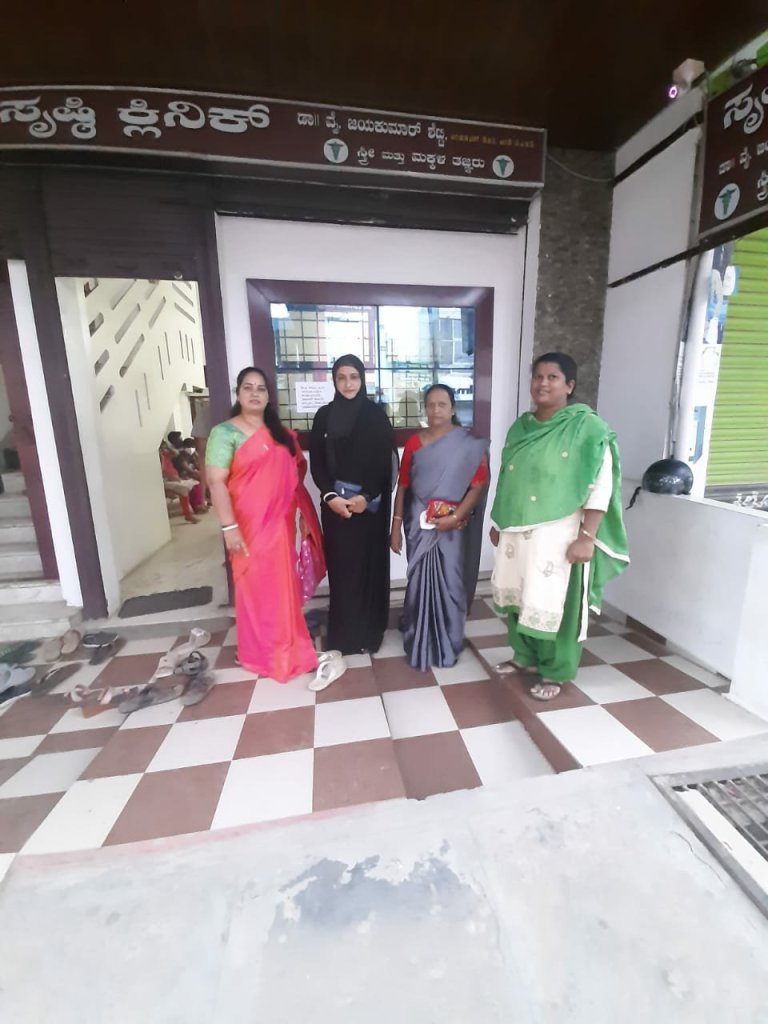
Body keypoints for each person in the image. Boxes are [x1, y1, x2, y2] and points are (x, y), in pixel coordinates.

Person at [489, 352, 629, 700]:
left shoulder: (588, 428)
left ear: (570, 385)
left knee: (553, 601)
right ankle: (524, 656)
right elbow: (507, 478)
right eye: (538, 376)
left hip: (559, 533)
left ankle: (556, 671)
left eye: (552, 377)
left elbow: (601, 486)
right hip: (516, 530)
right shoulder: (521, 427)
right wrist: (499, 520)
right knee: (519, 596)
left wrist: (587, 536)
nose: (543, 383)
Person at [206, 367, 321, 683]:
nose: (254, 393)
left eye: (261, 388)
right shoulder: (224, 433)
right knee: (254, 589)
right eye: (248, 387)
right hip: (248, 528)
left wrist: (303, 517)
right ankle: (258, 653)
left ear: (269, 396)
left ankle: (286, 647)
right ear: (238, 393)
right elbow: (216, 481)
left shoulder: (281, 435)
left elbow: (295, 478)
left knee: (281, 588)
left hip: (280, 527)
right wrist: (228, 527)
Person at [390, 384, 489, 671]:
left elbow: (477, 486)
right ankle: (418, 637)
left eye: (442, 404)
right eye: (431, 405)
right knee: (419, 582)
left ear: (452, 408)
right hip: (419, 524)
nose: (435, 410)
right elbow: (403, 486)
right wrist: (396, 526)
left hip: (452, 526)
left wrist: (456, 517)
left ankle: (448, 642)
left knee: (451, 581)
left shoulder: (467, 444)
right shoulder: (414, 443)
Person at [309, 354, 395, 654]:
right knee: (343, 571)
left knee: (369, 568)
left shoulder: (376, 416)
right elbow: (317, 463)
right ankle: (345, 637)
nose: (348, 384)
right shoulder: (324, 416)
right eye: (342, 377)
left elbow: (384, 464)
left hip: (369, 509)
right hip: (336, 510)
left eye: (354, 377)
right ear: (334, 381)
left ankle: (369, 634)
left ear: (362, 379)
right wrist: (330, 497)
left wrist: (366, 496)